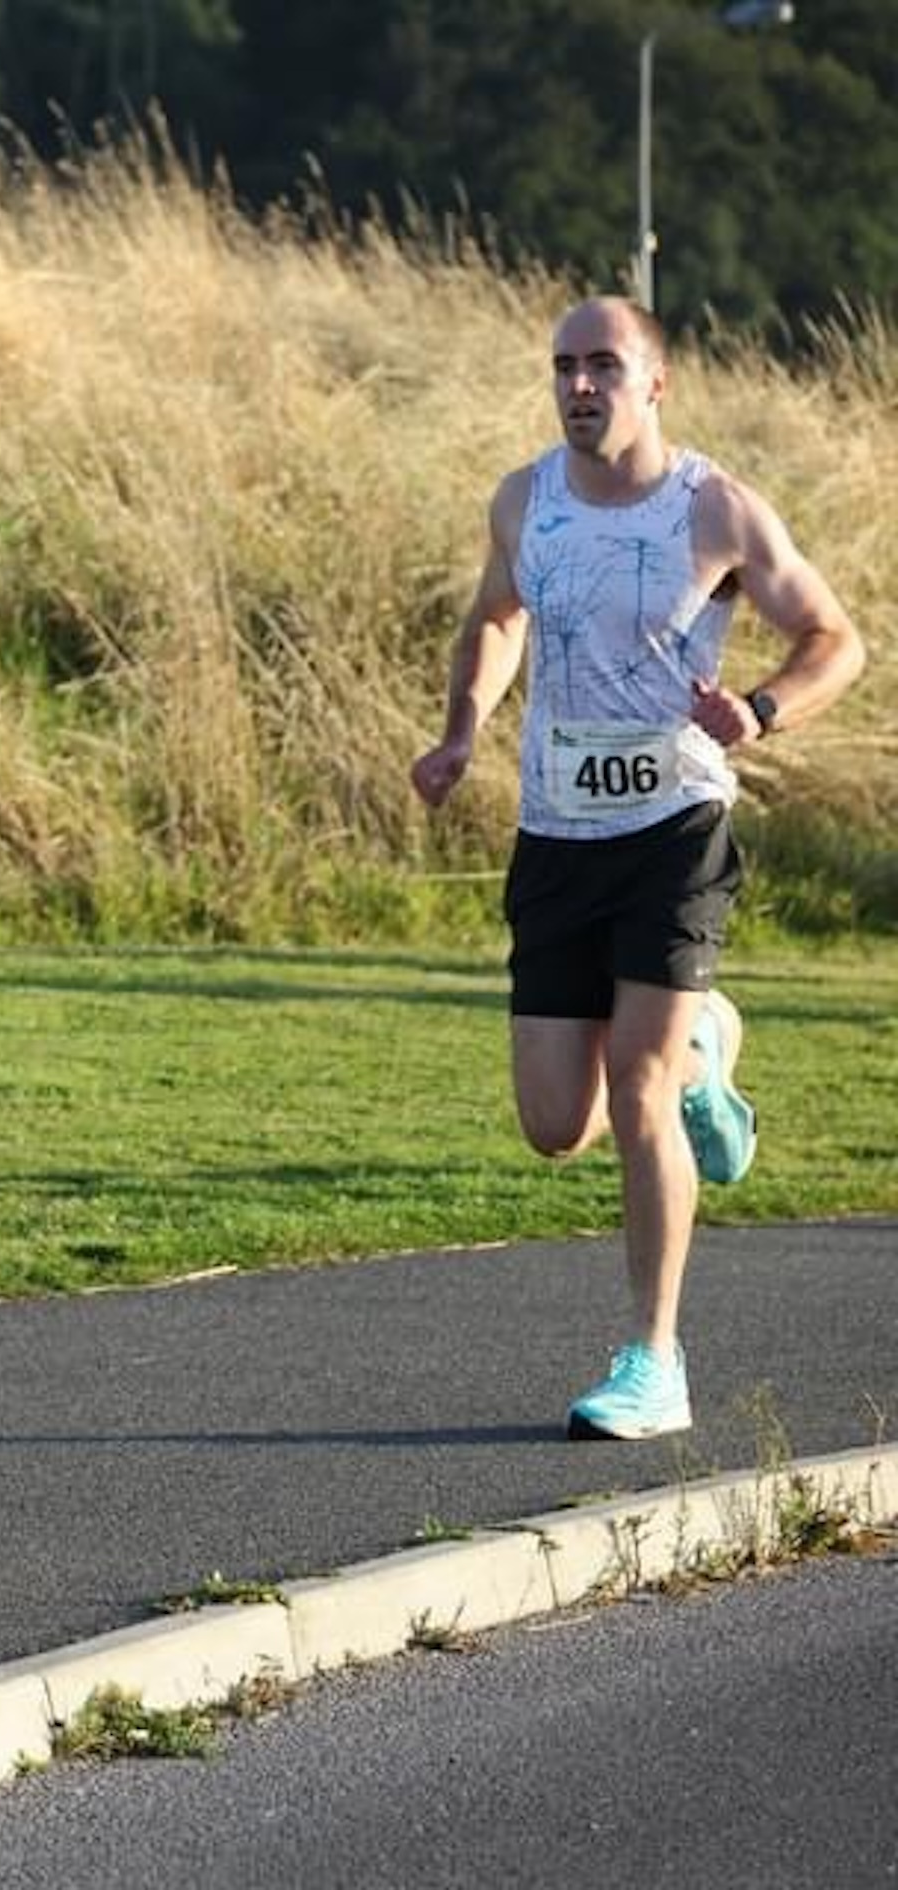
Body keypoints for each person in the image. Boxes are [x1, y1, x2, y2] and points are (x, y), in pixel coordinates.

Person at [411, 294, 864, 1442]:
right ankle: (709, 1043)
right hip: (558, 834)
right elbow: (497, 617)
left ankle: (653, 1361)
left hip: (674, 827)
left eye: (602, 364)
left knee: (639, 1089)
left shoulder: (712, 509)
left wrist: (758, 712)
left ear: (653, 382)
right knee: (555, 1124)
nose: (578, 385)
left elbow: (835, 639)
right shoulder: (525, 502)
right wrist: (464, 727)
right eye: (563, 365)